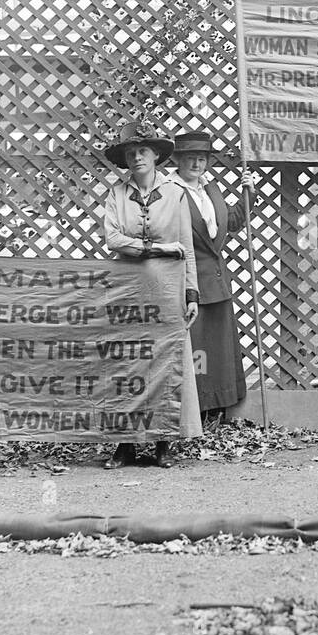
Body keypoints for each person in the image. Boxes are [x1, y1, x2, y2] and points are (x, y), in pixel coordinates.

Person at [102, 120, 202, 468]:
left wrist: (191, 293)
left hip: (166, 290)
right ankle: (125, 443)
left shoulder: (176, 193)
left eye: (142, 151)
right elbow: (113, 239)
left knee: (164, 361)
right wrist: (157, 248)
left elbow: (186, 246)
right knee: (128, 363)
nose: (136, 157)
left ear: (156, 155)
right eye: (130, 153)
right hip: (127, 289)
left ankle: (163, 441)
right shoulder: (117, 194)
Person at [164, 129, 256, 420]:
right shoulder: (170, 190)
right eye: (190, 158)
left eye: (202, 159)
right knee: (196, 350)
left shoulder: (210, 189)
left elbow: (231, 222)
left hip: (217, 281)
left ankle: (218, 405)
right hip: (188, 282)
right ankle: (197, 410)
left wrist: (248, 194)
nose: (197, 165)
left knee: (217, 348)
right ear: (178, 160)